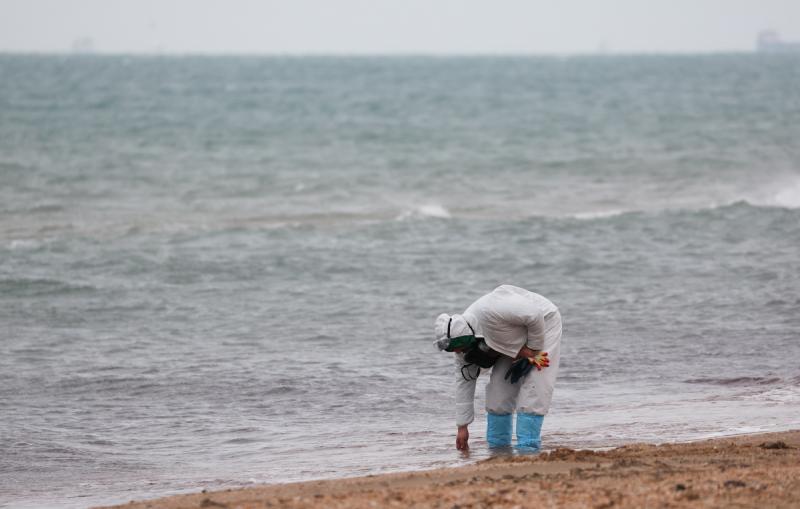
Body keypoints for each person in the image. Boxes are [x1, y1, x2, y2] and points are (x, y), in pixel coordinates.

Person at [434, 284, 562, 452]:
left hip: (544, 322)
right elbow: (464, 382)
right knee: (498, 392)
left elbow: (534, 315)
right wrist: (462, 426)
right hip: (508, 338)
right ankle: (498, 450)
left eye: (460, 347)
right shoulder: (461, 347)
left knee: (534, 387)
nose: (458, 352)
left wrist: (533, 349)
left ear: (470, 336)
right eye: (454, 350)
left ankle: (528, 449)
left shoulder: (491, 309)